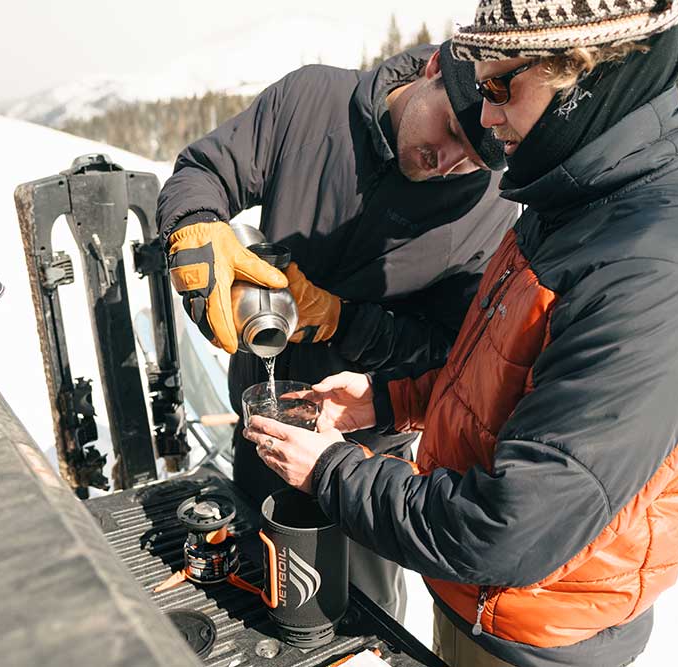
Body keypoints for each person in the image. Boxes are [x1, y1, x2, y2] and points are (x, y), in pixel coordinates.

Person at [243, 2, 678, 665]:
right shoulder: (578, 202)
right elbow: (508, 375)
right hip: (481, 608)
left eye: (502, 86)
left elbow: (509, 527)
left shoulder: (657, 272)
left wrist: (331, 472)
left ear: (586, 69)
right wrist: (388, 399)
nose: (487, 117)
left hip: (532, 637)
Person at [157, 42, 519, 620]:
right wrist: (195, 224)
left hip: (365, 453)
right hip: (264, 419)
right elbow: (206, 170)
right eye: (449, 128)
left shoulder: (490, 207)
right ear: (430, 71)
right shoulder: (312, 102)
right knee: (257, 591)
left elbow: (449, 351)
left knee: (357, 615)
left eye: (473, 160)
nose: (447, 162)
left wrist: (341, 320)